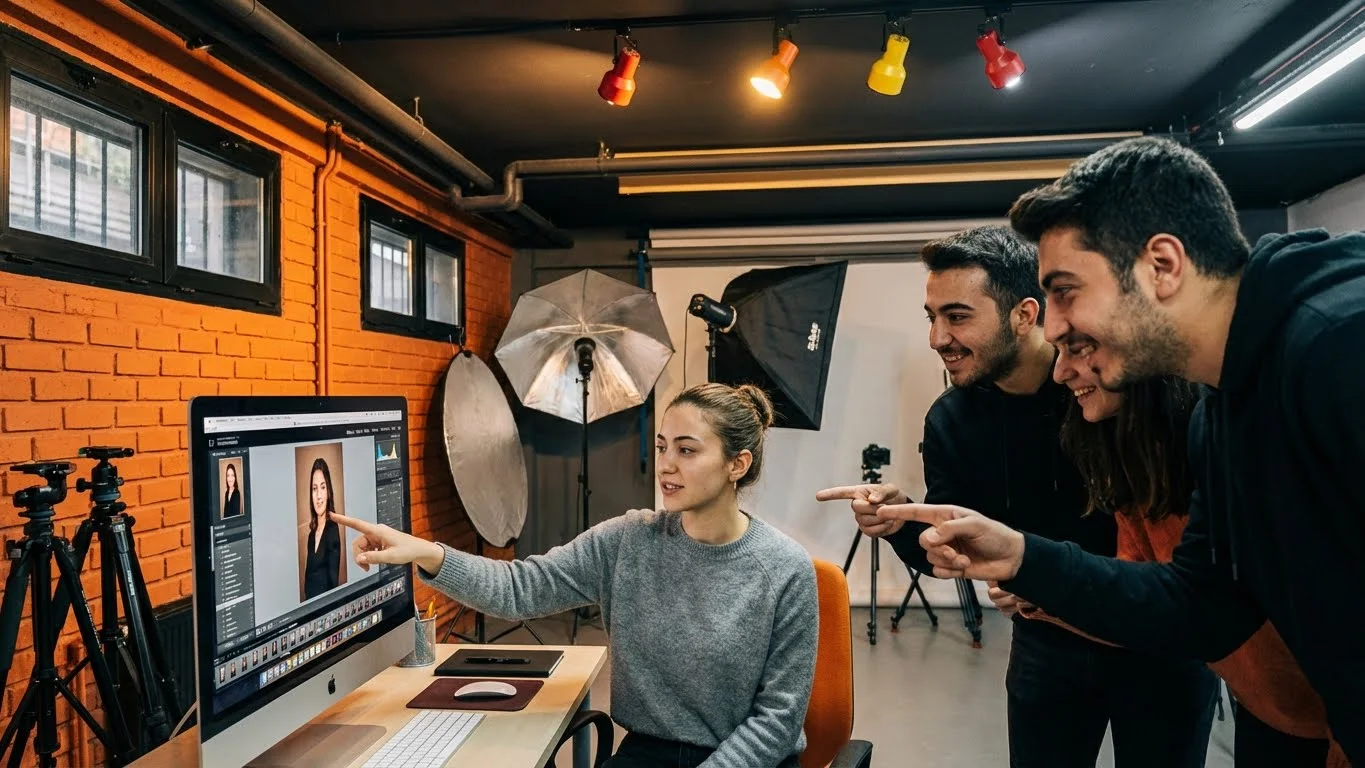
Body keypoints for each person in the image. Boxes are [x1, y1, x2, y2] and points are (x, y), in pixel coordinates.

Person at [877, 136, 1365, 762]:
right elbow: (1201, 608)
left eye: (1065, 291)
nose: (1052, 329)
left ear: (1162, 266)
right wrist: (1023, 557)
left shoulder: (1339, 342)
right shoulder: (1224, 408)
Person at [816, 226, 1216, 768]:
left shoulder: (1106, 388)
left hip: (1156, 643)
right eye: (930, 317)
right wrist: (901, 520)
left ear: (1025, 315)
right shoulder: (951, 421)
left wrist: (1035, 569)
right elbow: (950, 550)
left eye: (957, 316)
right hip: (1046, 646)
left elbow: (1181, 554)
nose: (937, 338)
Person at [332, 383, 818, 768]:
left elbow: (776, 722)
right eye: (662, 446)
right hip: (646, 754)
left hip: (748, 759)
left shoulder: (784, 569)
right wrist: (427, 553)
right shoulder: (629, 540)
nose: (666, 465)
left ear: (737, 464)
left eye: (687, 451)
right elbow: (520, 589)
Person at [996, 338, 1345, 766]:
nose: (1060, 370)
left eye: (1077, 348)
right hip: (1271, 710)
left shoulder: (1231, 438)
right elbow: (1160, 603)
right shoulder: (1126, 453)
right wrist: (1041, 587)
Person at [303, 457, 343, 600]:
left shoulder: (332, 528)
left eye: (323, 487)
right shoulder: (311, 535)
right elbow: (307, 579)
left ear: (329, 491)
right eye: (314, 489)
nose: (318, 496)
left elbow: (333, 582)